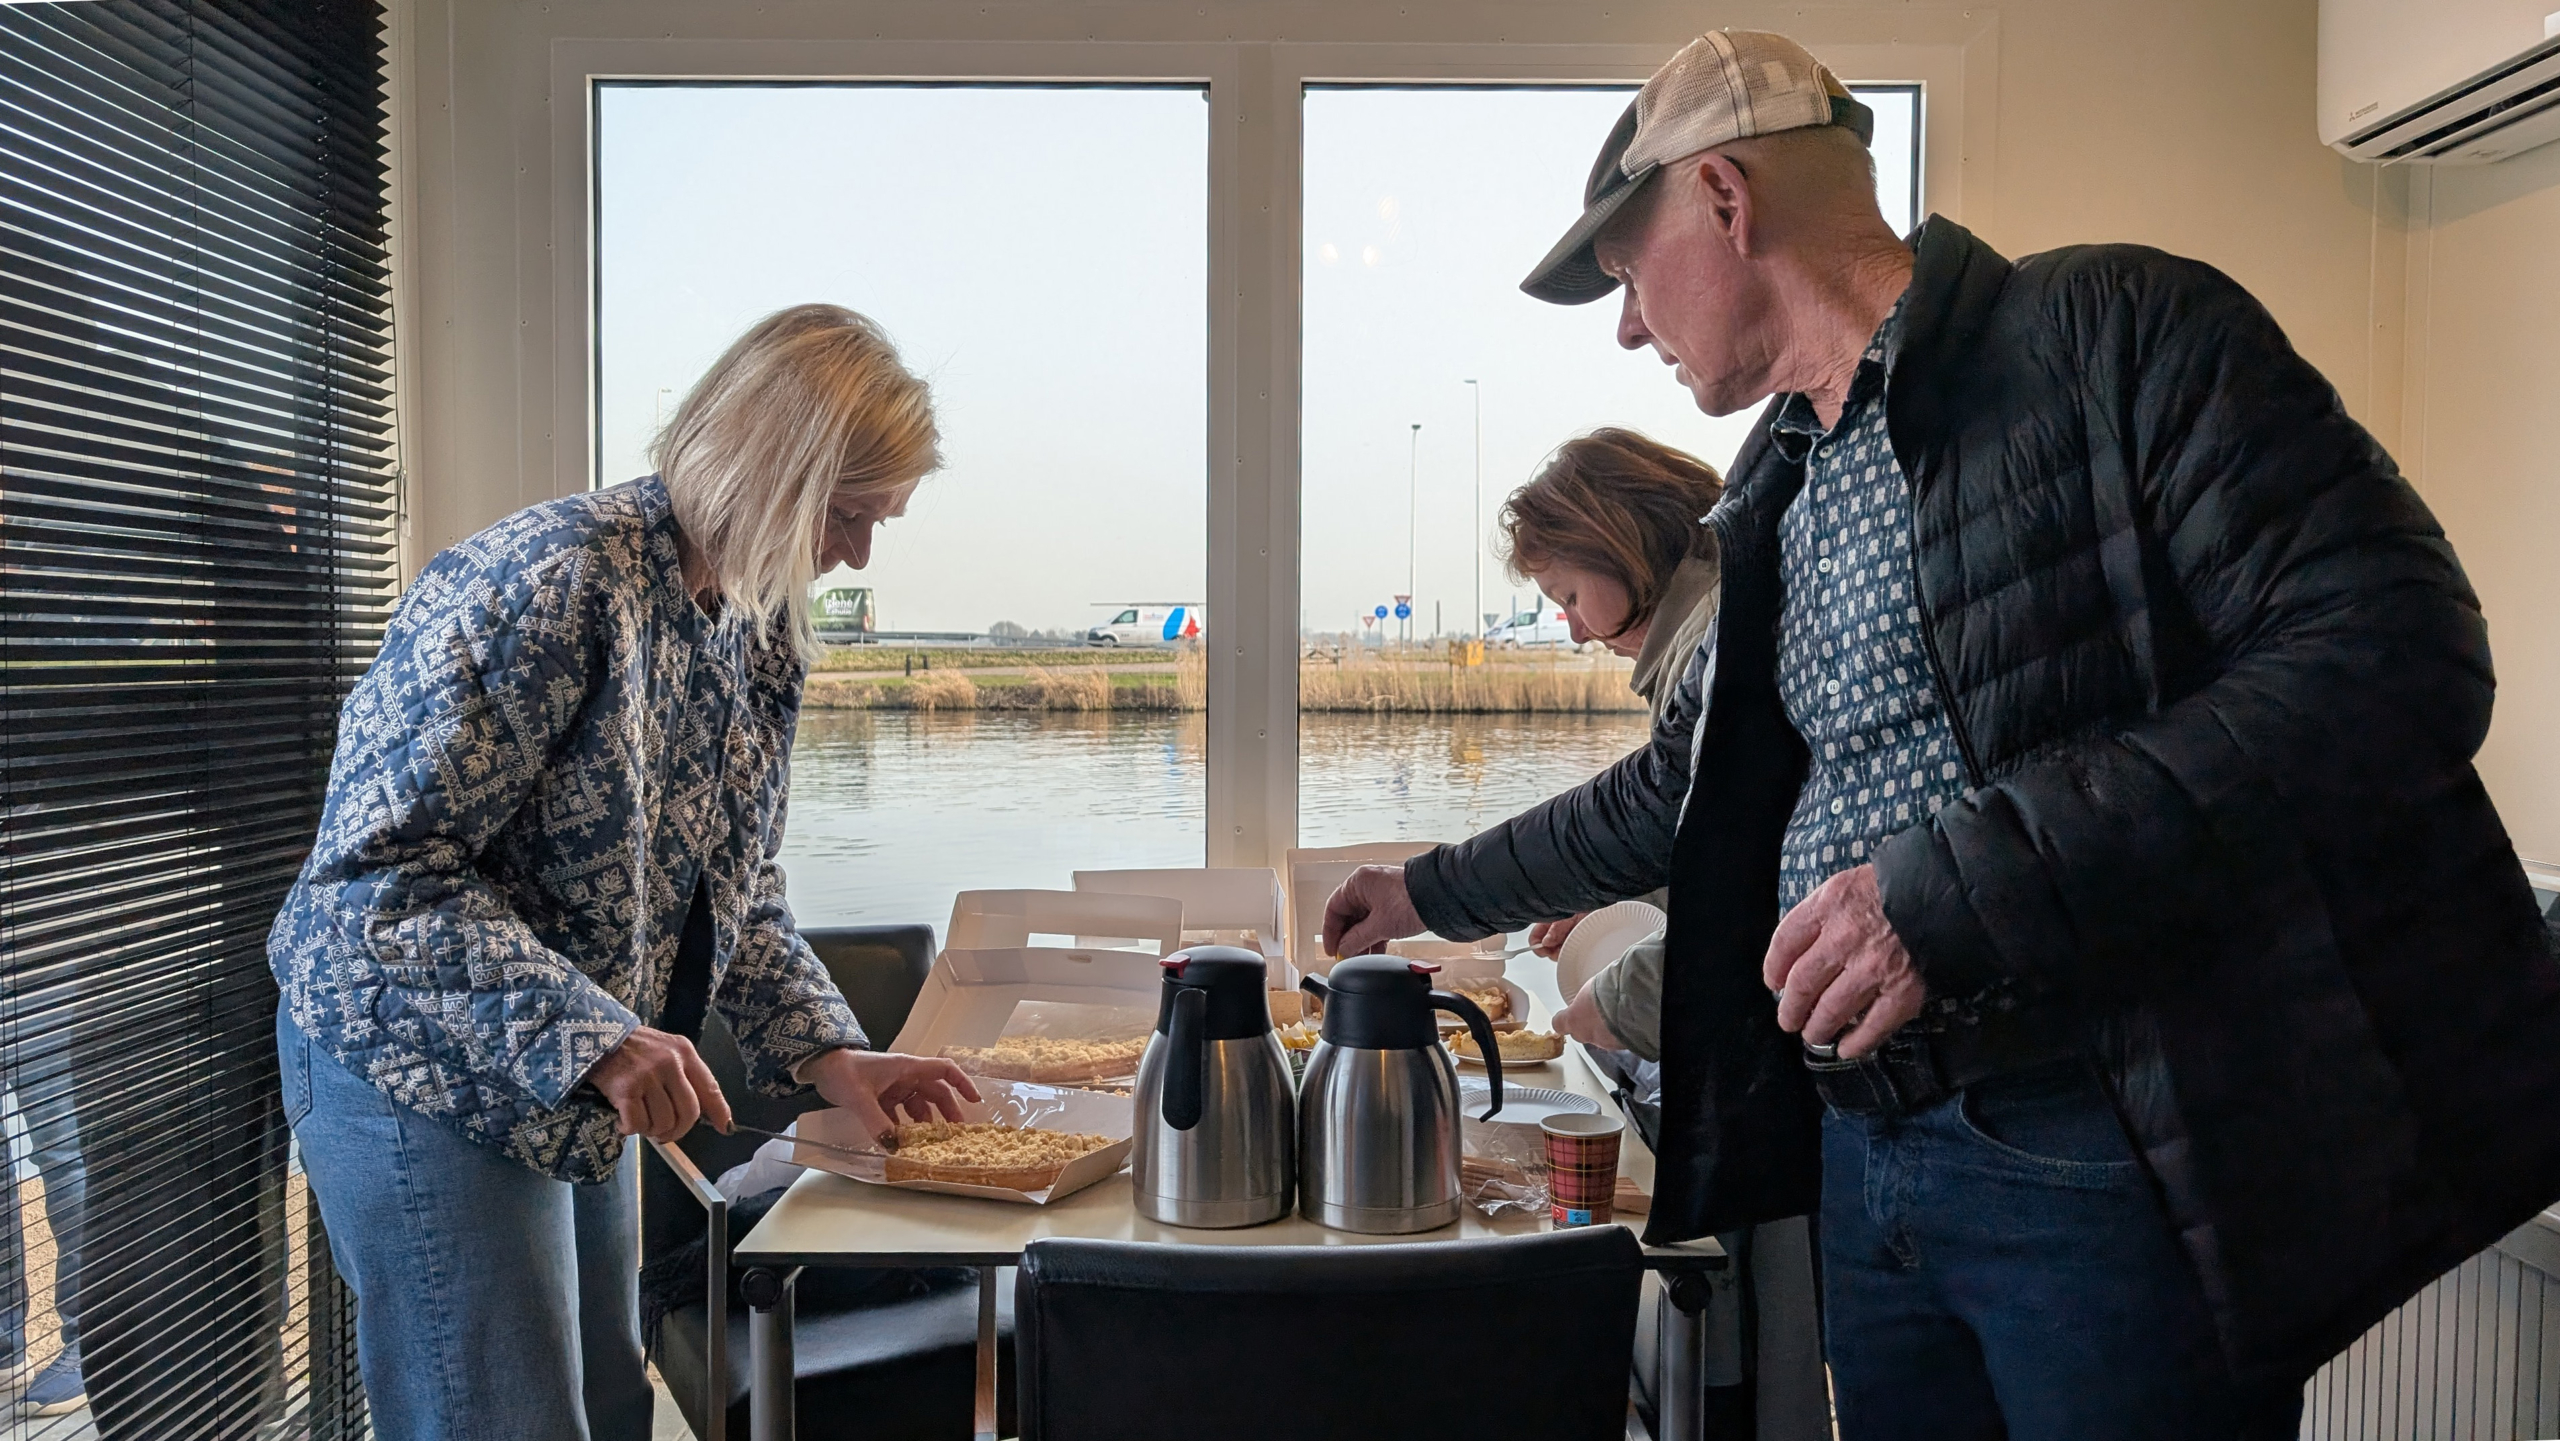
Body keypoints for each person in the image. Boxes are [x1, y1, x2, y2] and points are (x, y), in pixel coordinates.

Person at [1323, 28, 2560, 1441]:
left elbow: (2397, 655)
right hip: (1869, 1155)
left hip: (2106, 1153)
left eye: (1625, 273)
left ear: (1727, 201)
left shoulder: (2118, 333)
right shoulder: (1775, 487)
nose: (1623, 327)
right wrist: (1428, 889)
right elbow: (1688, 787)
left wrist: (1950, 895)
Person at [268, 304, 981, 1441]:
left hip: (572, 1067)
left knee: (608, 1399)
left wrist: (837, 1056)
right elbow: (371, 885)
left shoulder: (757, 625)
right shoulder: (547, 585)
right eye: (847, 515)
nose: (855, 554)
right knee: (503, 1418)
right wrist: (593, 1033)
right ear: (772, 470)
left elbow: (735, 888)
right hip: (413, 1064)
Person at [1484, 426, 1723, 1061]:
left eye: (1569, 596)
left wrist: (1627, 1001)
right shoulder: (1699, 636)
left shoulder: (1719, 643)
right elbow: (1704, 838)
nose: (1576, 631)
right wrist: (1624, 901)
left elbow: (1748, 886)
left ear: (1618, 546)